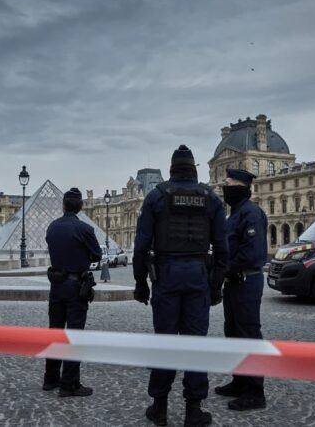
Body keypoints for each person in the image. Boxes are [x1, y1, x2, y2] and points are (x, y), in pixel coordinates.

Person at [133, 145, 228, 427]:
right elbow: (222, 249)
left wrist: (140, 283)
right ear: (194, 170)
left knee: (164, 341)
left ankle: (160, 407)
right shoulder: (211, 198)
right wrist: (216, 286)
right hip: (198, 275)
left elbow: (141, 246)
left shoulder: (157, 196)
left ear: (172, 170)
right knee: (195, 343)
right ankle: (193, 410)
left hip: (166, 275)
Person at [215, 169, 268, 410]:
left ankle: (255, 392)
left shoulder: (251, 213)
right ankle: (239, 381)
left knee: (248, 334)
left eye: (228, 183)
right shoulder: (235, 213)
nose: (225, 187)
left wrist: (225, 267)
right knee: (233, 333)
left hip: (247, 281)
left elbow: (252, 254)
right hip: (235, 282)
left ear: (241, 187)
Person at [43, 187, 102, 397]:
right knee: (74, 335)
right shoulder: (85, 229)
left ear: (63, 205)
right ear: (81, 207)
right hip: (76, 287)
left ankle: (50, 379)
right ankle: (69, 384)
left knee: (55, 332)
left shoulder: (52, 227)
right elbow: (97, 255)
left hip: (56, 285)